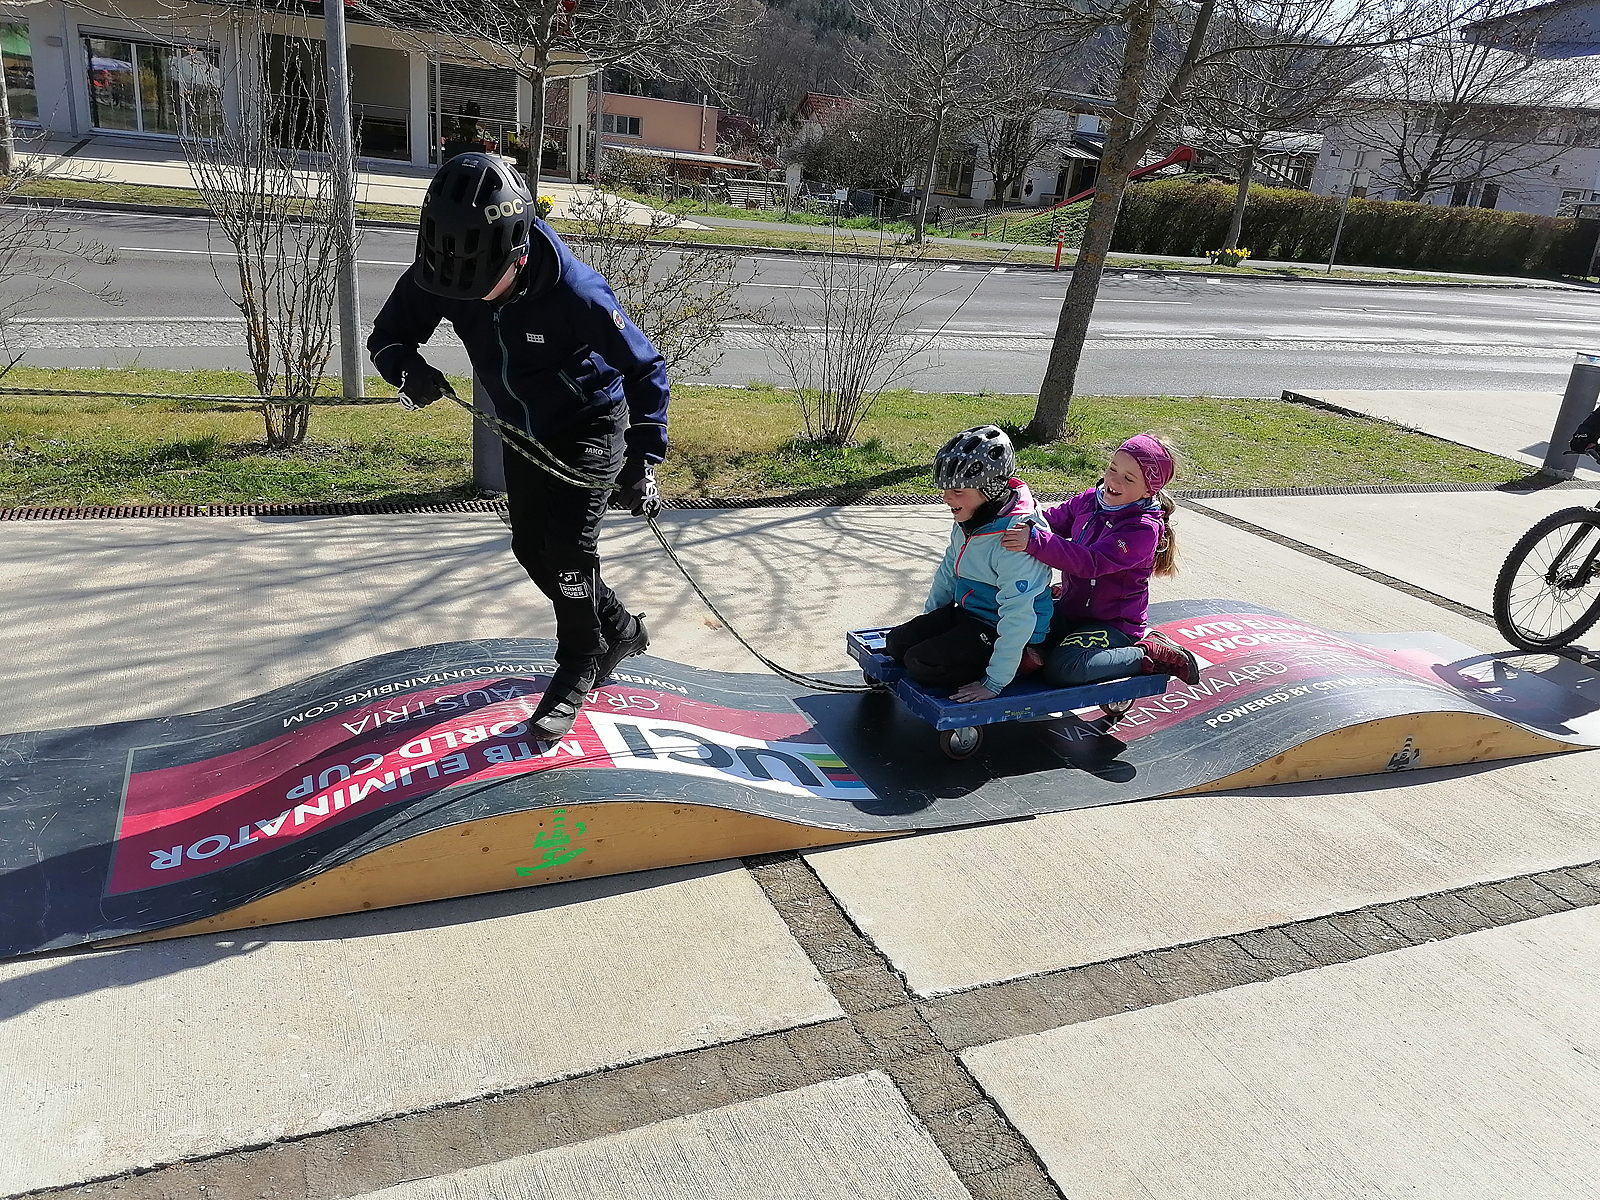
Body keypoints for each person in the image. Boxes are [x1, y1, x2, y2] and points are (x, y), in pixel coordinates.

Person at [366, 153, 666, 739]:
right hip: (522, 430)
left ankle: (579, 662)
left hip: (589, 423)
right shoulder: (445, 270)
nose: (473, 298)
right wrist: (407, 370)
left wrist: (643, 457)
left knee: (568, 550)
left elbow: (645, 368)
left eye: (486, 286)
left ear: (519, 253)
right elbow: (388, 338)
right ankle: (620, 630)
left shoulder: (576, 292)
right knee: (531, 548)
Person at [999, 433, 1201, 688]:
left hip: (1112, 625)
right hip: (1073, 610)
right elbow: (1049, 522)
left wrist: (1034, 540)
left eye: (1128, 478)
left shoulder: (1142, 529)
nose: (1114, 480)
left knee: (1064, 668)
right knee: (1014, 625)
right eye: (1112, 469)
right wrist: (1015, 519)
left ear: (1149, 490)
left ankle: (1147, 653)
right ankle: (1044, 652)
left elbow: (1091, 563)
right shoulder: (1090, 500)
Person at [885, 426, 1054, 702]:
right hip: (970, 614)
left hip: (1003, 628)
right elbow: (948, 572)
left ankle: (1023, 662)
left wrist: (994, 683)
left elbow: (1018, 618)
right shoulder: (969, 519)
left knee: (921, 662)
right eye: (945, 489)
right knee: (897, 643)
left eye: (958, 491)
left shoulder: (1015, 538)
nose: (946, 498)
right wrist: (930, 624)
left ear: (991, 488)